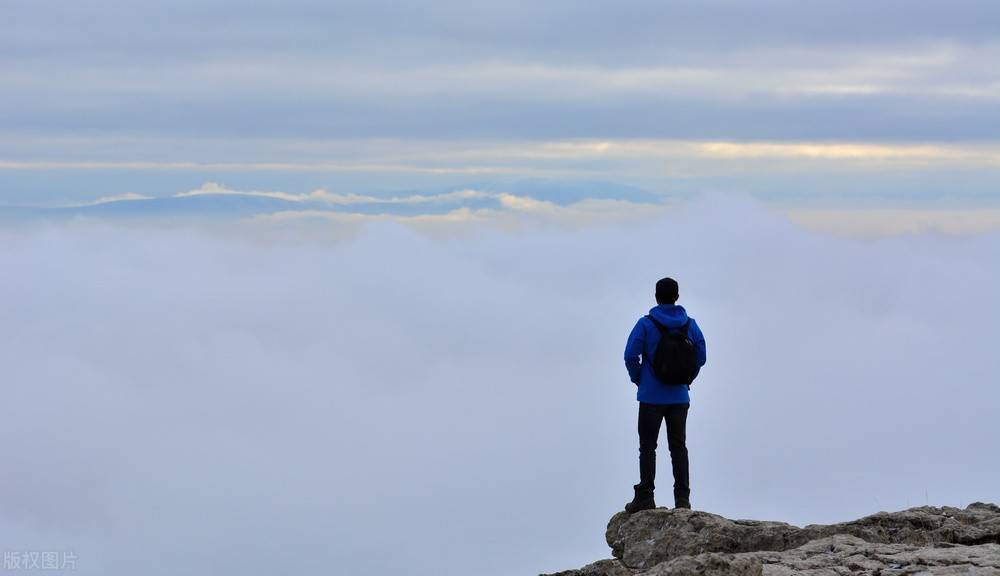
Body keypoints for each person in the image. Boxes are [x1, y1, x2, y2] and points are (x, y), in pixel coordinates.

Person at [623, 277, 707, 512]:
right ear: (677, 297)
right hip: (680, 397)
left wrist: (639, 378)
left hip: (650, 396)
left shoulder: (645, 324)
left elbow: (630, 356)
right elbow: (701, 357)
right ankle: (682, 500)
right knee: (678, 446)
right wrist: (687, 378)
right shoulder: (690, 324)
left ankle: (646, 497)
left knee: (648, 446)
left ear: (656, 296)